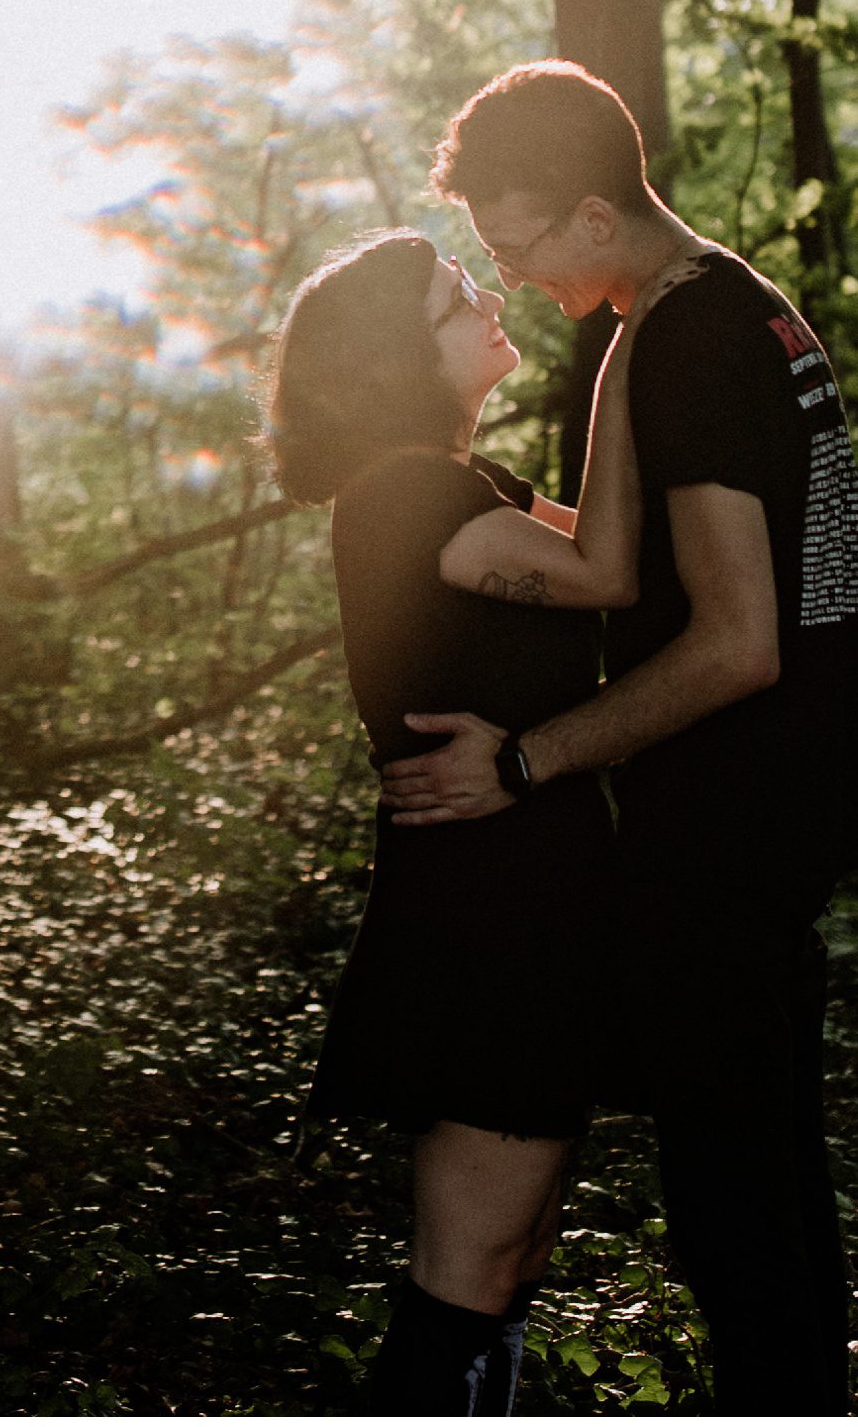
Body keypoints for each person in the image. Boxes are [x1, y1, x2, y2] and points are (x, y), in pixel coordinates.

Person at [381, 62, 858, 1419]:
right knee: (772, 1197)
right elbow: (633, 562)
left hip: (726, 835)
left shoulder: (688, 344)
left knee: (739, 1224)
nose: (515, 277)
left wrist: (523, 760)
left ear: (596, 217)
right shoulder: (733, 304)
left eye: (519, 246)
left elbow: (736, 642)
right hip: (778, 819)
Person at [265, 225, 698, 1417]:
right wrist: (631, 338)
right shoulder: (404, 493)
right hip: (481, 914)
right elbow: (607, 570)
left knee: (508, 1257)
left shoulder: (466, 483)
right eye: (456, 297)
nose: (489, 299)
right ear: (397, 354)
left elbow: (623, 540)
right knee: (468, 1265)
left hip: (530, 892)